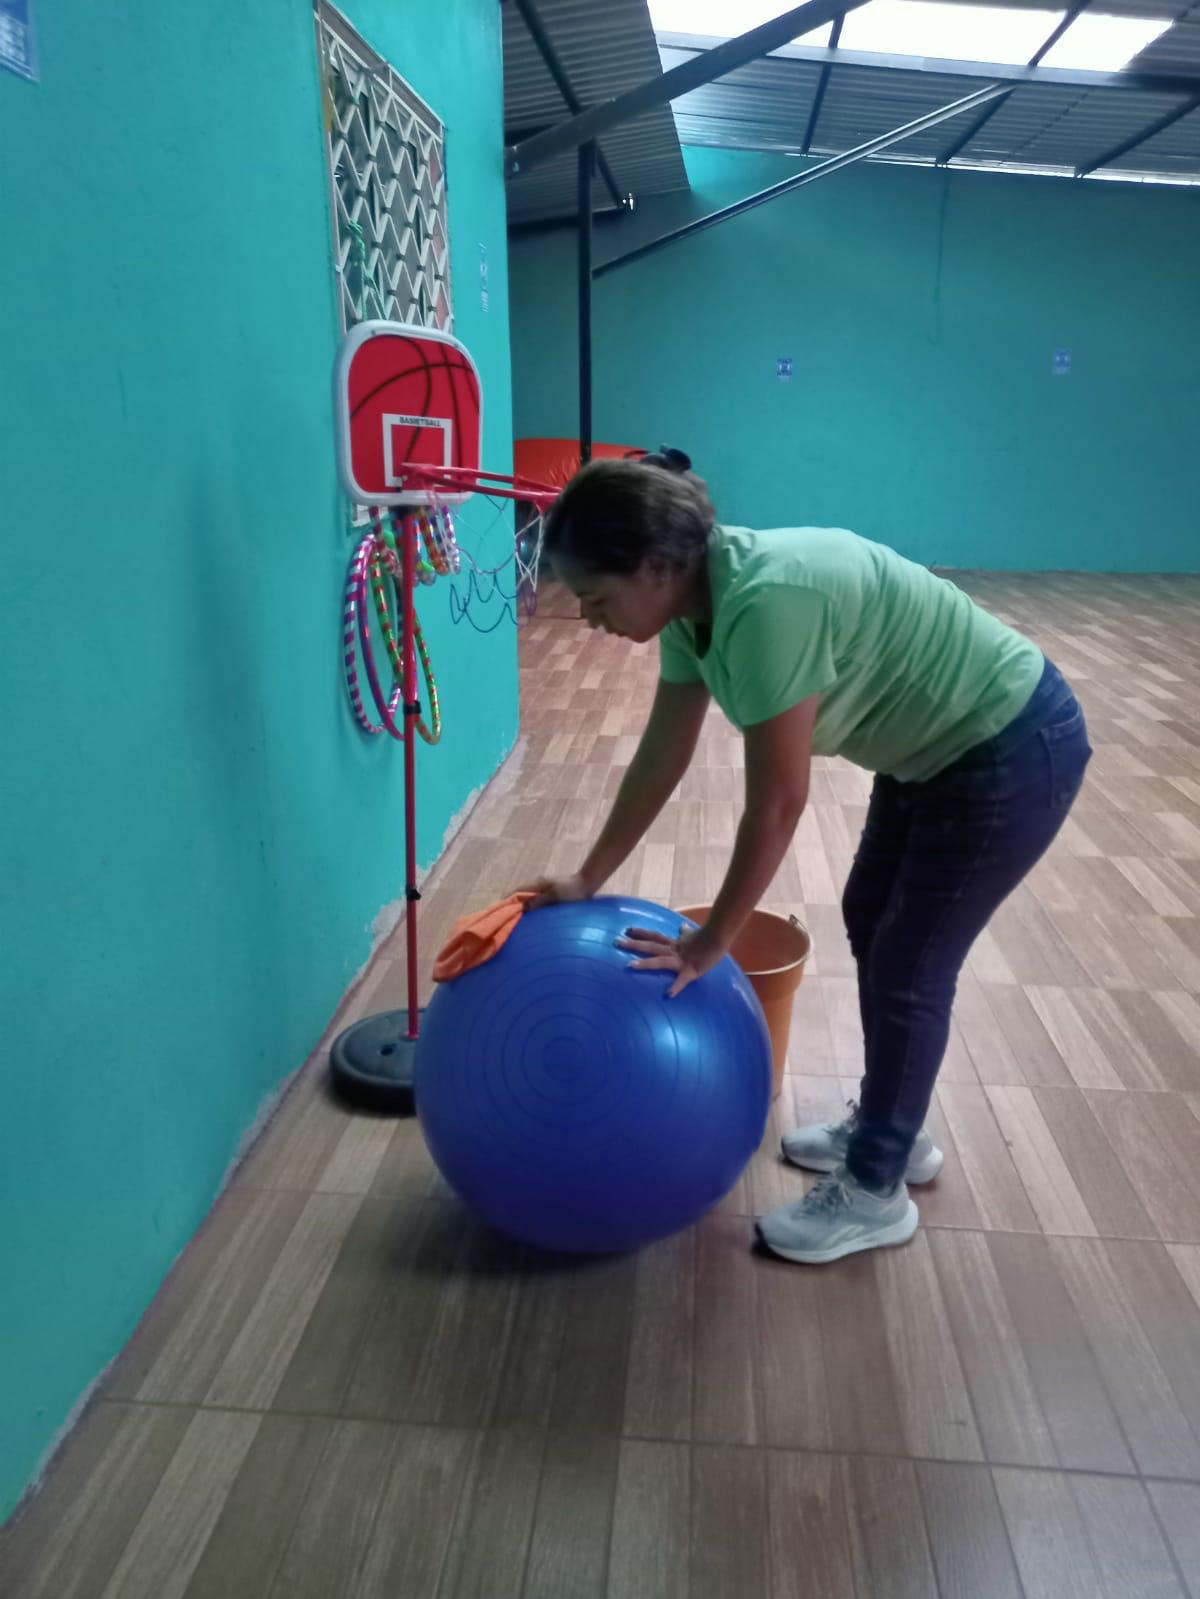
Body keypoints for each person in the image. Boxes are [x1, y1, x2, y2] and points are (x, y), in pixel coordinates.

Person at [525, 449, 1091, 1266]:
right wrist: (588, 876)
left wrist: (710, 941)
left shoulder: (765, 603)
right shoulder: (690, 602)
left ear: (653, 566)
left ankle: (875, 1191)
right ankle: (893, 1129)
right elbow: (662, 753)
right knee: (872, 918)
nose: (588, 618)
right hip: (934, 754)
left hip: (1009, 744)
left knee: (910, 961)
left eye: (596, 597)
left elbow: (779, 802)